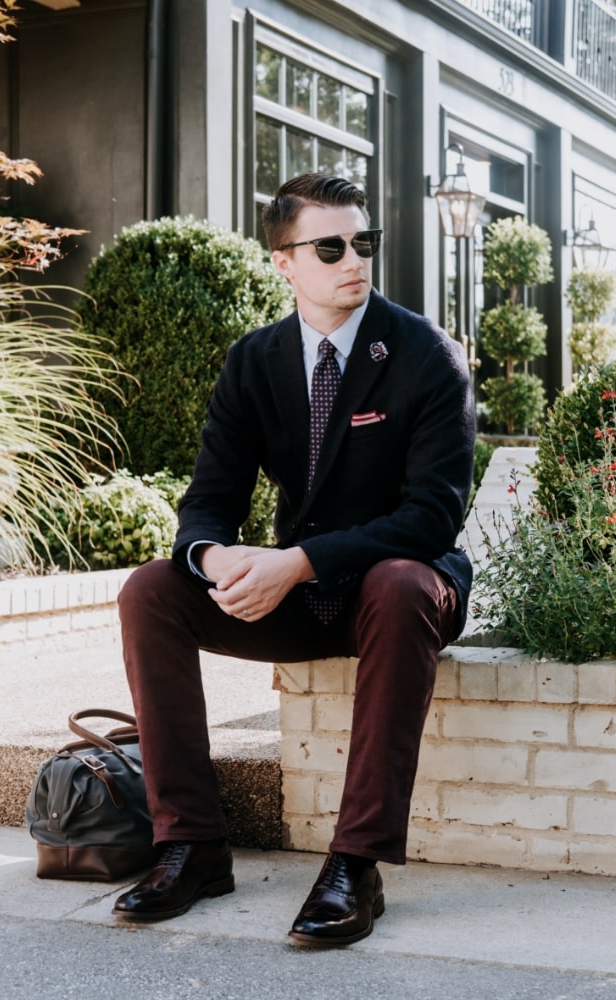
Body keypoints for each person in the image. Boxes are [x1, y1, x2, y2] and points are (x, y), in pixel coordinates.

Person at [112, 172, 475, 946]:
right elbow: (208, 499)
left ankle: (355, 864)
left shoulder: (424, 355)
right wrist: (211, 559)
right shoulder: (255, 361)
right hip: (301, 600)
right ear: (284, 263)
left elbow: (431, 519)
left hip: (399, 592)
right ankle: (191, 844)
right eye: (331, 246)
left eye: (363, 242)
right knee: (150, 590)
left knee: (401, 581)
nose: (354, 259)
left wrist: (299, 560)